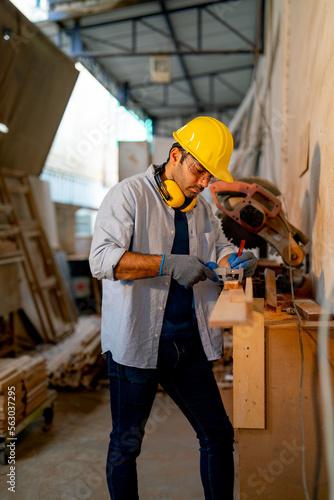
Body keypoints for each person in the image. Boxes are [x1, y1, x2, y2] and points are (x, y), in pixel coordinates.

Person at [89, 116, 257, 500]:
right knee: (126, 446)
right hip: (136, 346)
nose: (203, 184)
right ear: (176, 155)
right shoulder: (128, 196)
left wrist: (235, 260)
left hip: (187, 344)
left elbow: (219, 249)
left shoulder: (199, 209)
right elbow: (101, 260)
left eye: (209, 178)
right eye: (199, 171)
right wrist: (165, 264)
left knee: (217, 435)